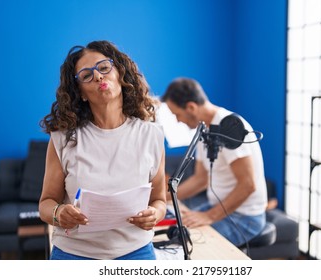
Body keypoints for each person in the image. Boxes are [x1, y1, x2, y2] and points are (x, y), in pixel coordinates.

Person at [39, 40, 167, 260]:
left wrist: (154, 214)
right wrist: (59, 213)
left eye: (104, 68)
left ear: (120, 74)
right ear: (81, 93)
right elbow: (46, 204)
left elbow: (159, 201)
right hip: (74, 254)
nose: (98, 76)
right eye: (87, 75)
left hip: (136, 252)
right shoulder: (63, 139)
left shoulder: (151, 135)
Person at [161, 77, 268, 247]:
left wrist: (209, 216)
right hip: (221, 209)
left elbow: (248, 184)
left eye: (177, 115)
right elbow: (200, 179)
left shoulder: (230, 127)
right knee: (172, 232)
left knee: (190, 246)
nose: (177, 121)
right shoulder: (206, 129)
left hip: (244, 216)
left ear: (191, 107)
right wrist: (163, 198)